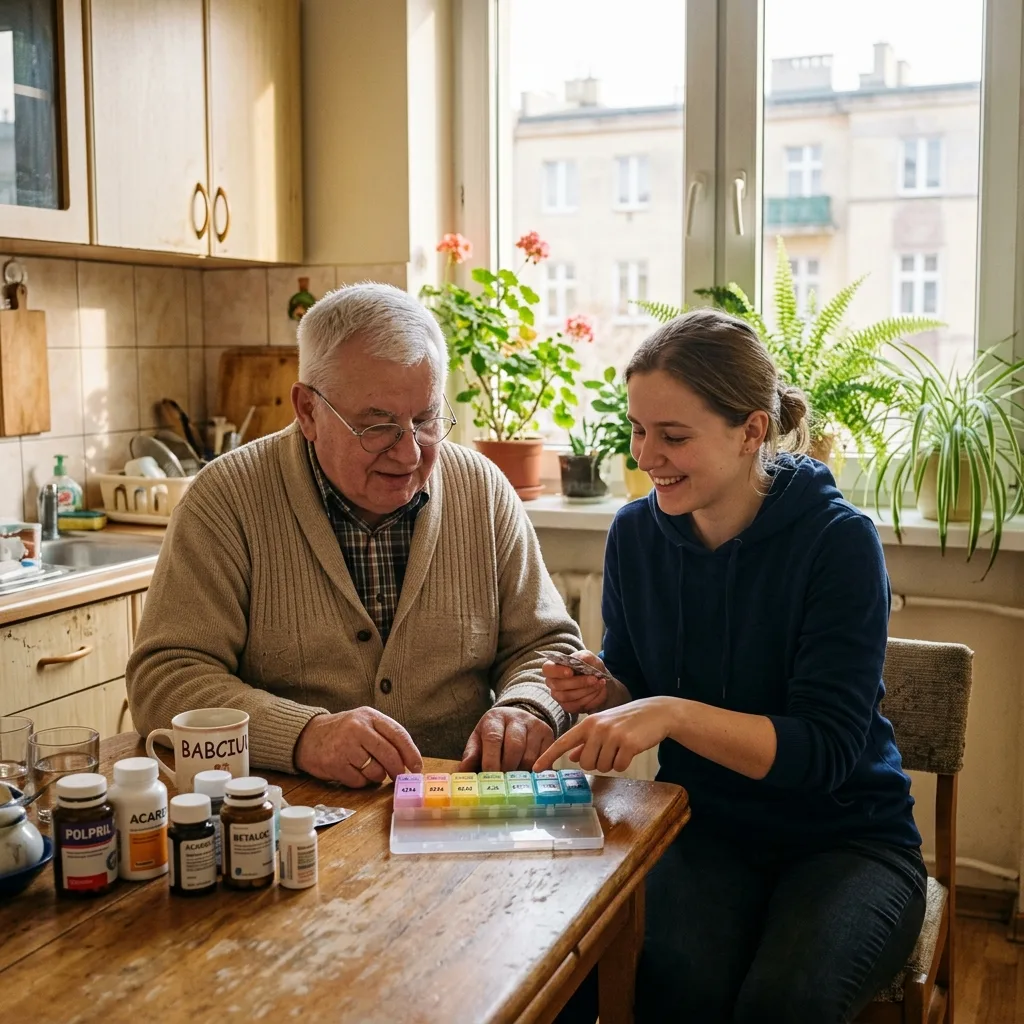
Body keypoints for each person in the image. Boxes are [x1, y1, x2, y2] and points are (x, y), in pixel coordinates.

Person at [537, 308, 926, 1023]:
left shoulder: (838, 545)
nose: (645, 455)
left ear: (751, 431)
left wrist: (670, 714)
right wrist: (608, 687)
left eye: (673, 435)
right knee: (662, 982)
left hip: (848, 841)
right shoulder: (634, 535)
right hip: (706, 828)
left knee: (782, 1006)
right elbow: (638, 679)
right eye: (638, 429)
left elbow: (826, 753)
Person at [127, 283, 583, 786]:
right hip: (289, 823)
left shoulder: (483, 490)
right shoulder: (226, 499)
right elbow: (165, 680)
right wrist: (305, 736)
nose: (410, 453)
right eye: (377, 426)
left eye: (426, 419)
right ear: (308, 411)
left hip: (454, 811)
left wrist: (527, 709)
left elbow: (548, 646)